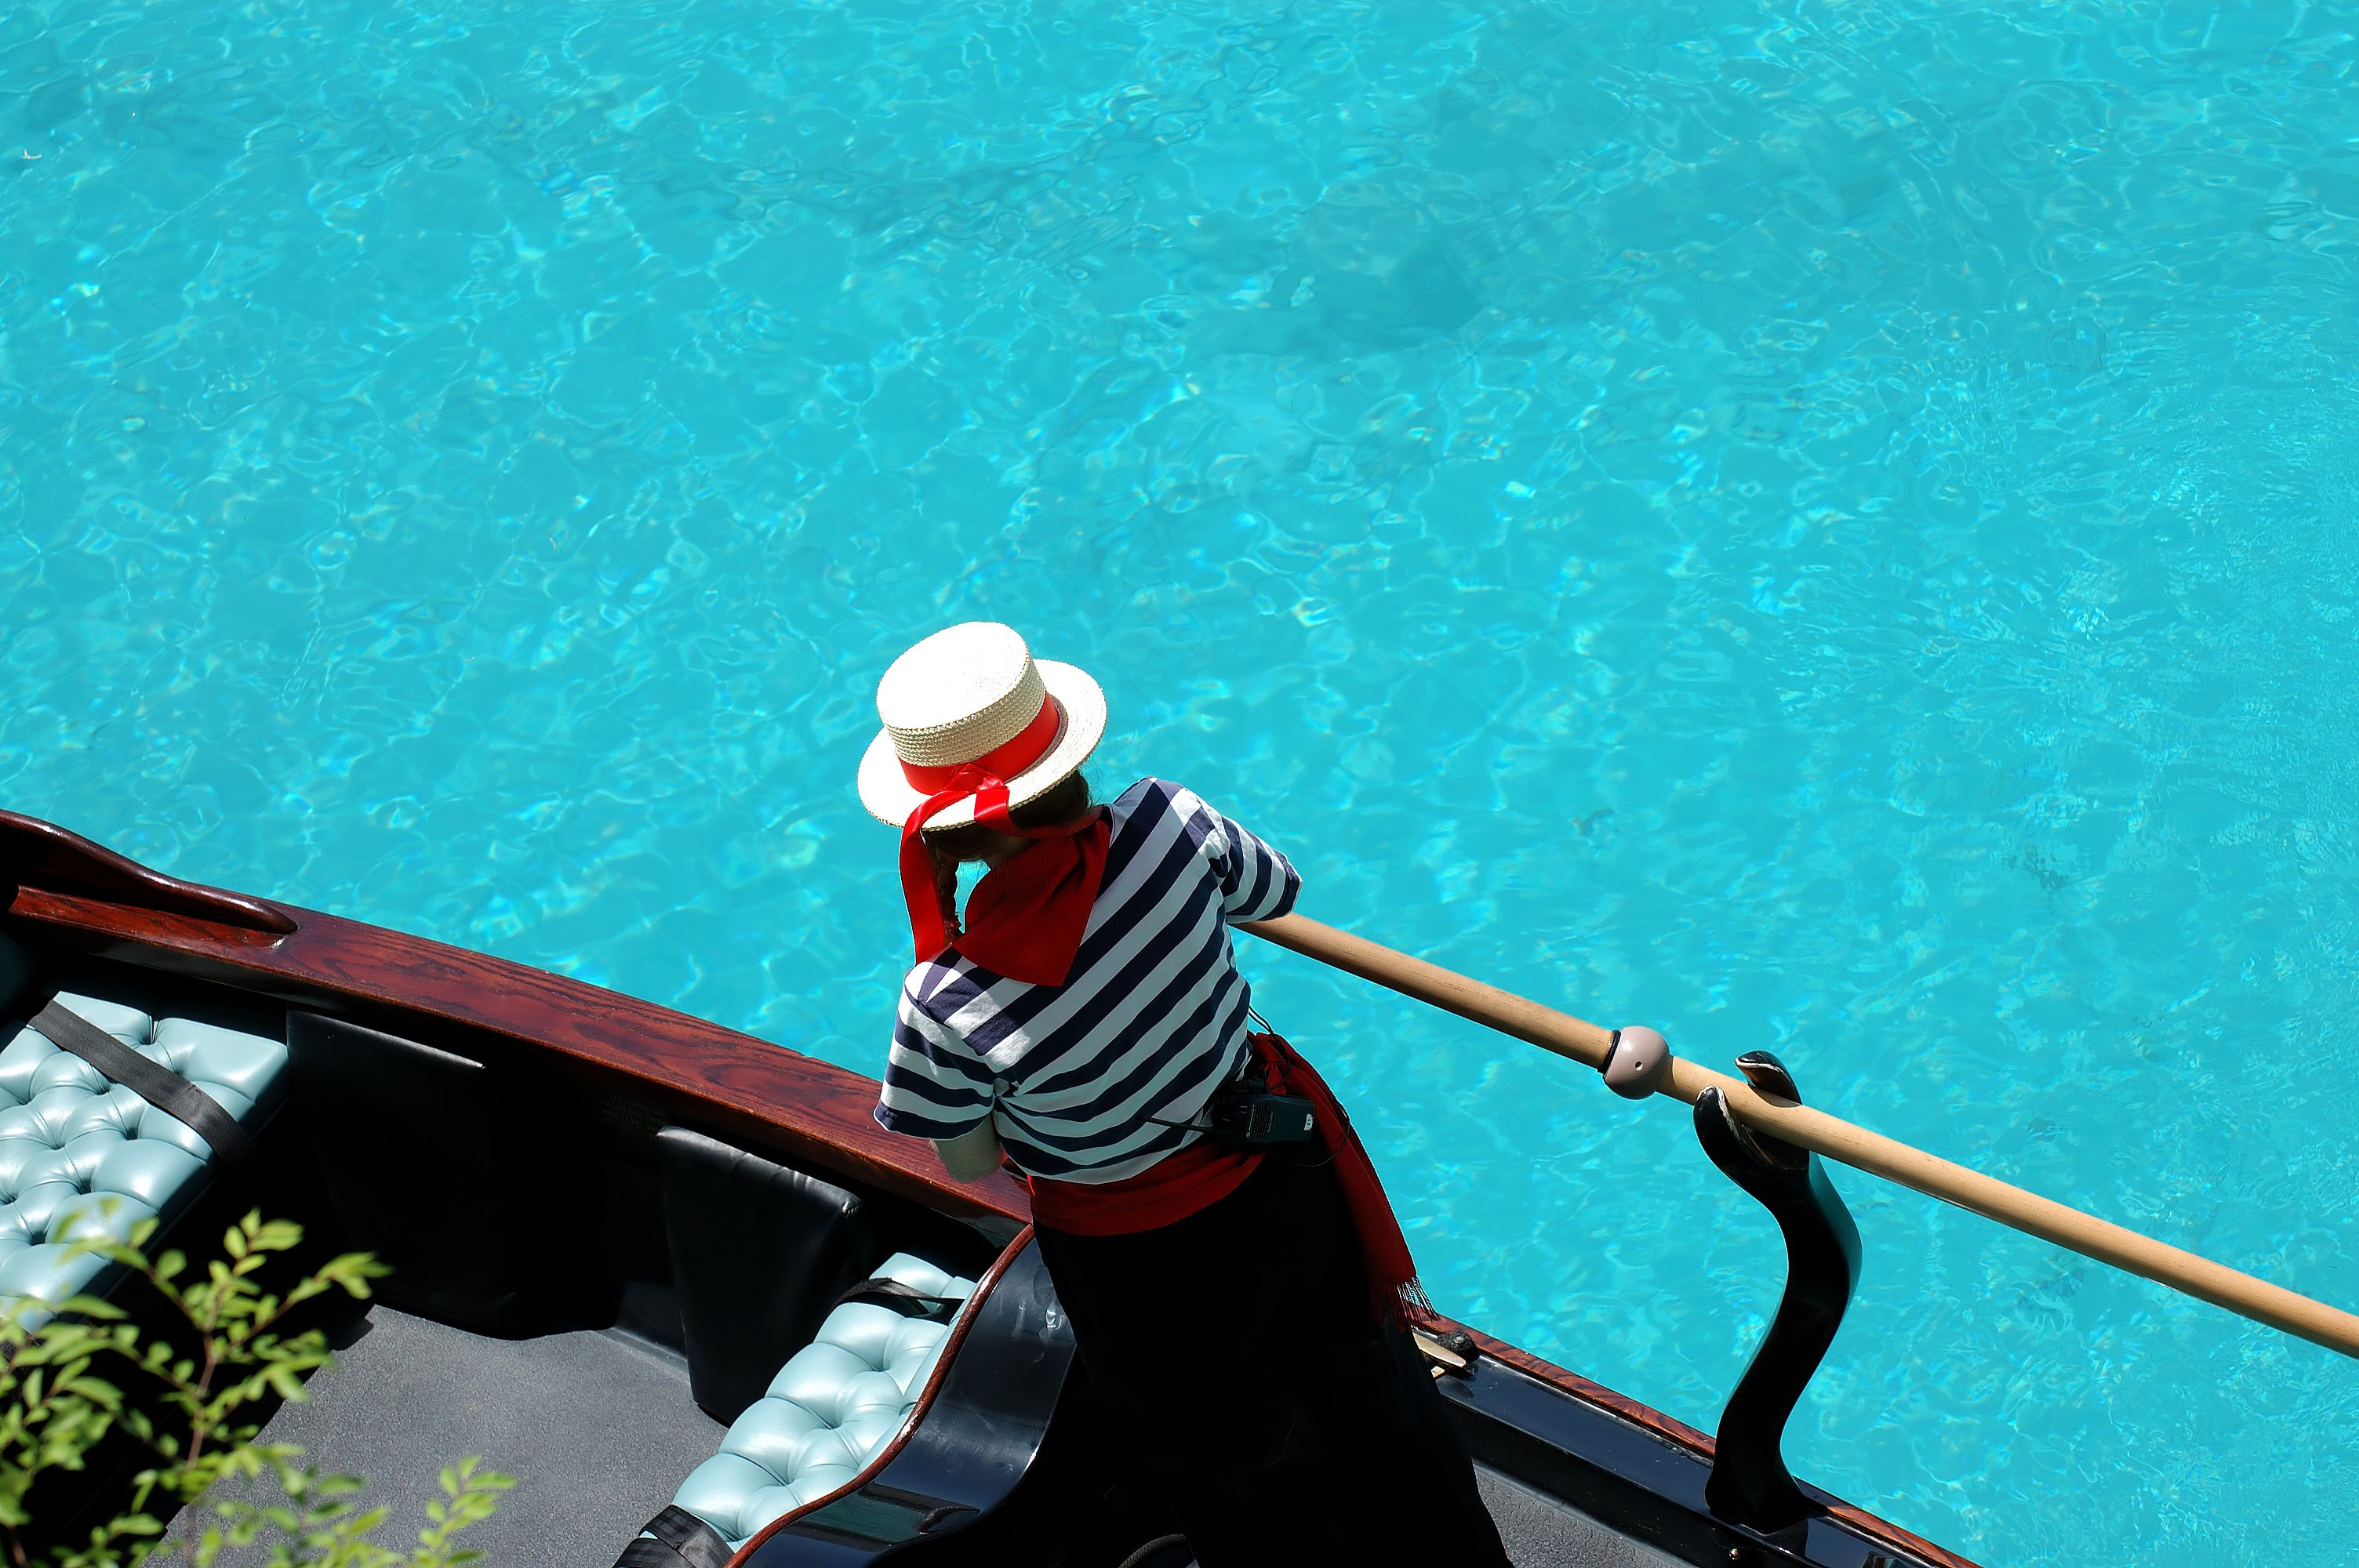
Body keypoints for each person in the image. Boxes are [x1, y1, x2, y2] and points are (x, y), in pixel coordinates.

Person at [859, 621, 1511, 1568]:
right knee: (1376, 1398)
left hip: (1137, 1263)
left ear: (956, 826)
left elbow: (969, 1154)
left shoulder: (947, 998)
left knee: (1227, 1462)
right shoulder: (1171, 820)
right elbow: (1275, 889)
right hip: (1280, 1172)